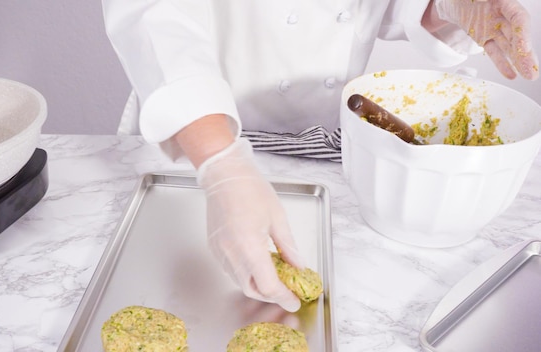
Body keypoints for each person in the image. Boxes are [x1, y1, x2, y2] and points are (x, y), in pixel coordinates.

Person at [100, 0, 539, 312]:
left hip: (327, 149)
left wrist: (449, 4)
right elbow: (154, 15)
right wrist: (222, 165)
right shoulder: (207, 148)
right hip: (196, 136)